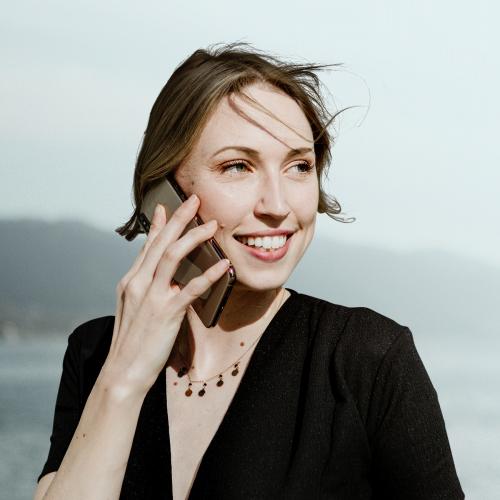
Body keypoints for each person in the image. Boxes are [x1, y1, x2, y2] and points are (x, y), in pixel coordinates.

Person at [34, 42, 465, 500]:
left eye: (299, 166)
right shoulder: (96, 352)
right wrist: (124, 379)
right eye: (238, 166)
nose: (278, 206)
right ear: (164, 188)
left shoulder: (368, 359)